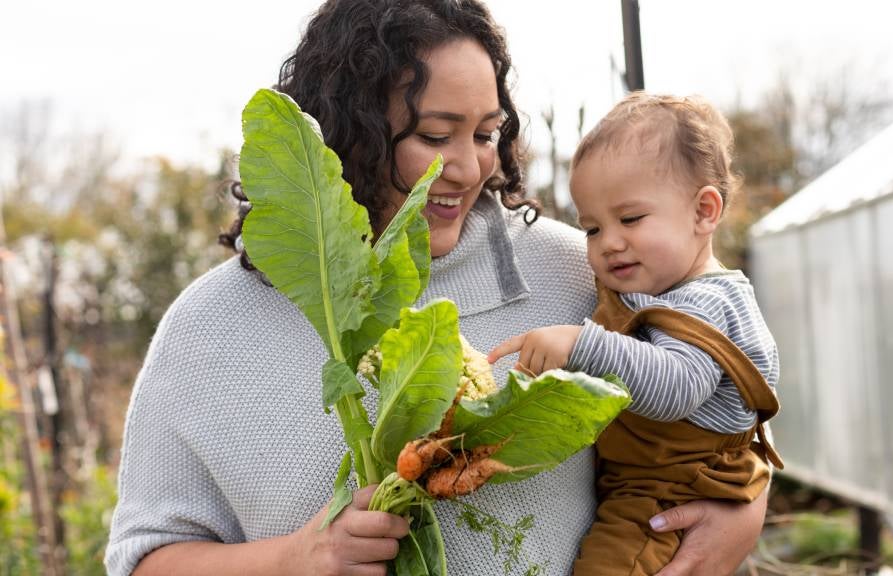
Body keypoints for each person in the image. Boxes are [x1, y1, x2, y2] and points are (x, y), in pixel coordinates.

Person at [104, 2, 768, 575]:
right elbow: (144, 559)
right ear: (349, 126)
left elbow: (722, 406)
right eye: (433, 135)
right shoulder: (208, 326)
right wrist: (298, 559)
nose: (469, 166)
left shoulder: (585, 272)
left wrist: (744, 513)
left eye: (485, 134)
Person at [488, 92, 783, 576]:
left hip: (670, 494)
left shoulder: (705, 301)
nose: (610, 244)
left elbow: (676, 387)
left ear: (704, 211)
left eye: (630, 219)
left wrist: (580, 345)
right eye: (591, 229)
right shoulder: (660, 288)